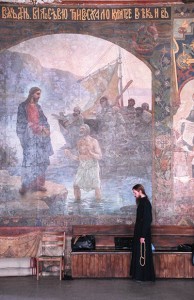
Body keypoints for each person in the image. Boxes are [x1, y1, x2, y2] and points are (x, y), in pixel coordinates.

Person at [16, 87, 53, 194]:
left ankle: (38, 184)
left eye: (40, 94)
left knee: (42, 160)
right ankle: (26, 185)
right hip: (30, 137)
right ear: (32, 94)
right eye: (37, 94)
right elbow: (21, 122)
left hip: (40, 138)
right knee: (30, 161)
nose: (39, 96)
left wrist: (45, 128)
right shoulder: (22, 106)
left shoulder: (38, 107)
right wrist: (33, 127)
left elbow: (44, 120)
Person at [64, 124, 102, 200]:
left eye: (82, 129)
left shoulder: (93, 141)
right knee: (76, 185)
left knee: (96, 186)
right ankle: (77, 203)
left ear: (87, 130)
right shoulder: (79, 142)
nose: (80, 130)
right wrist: (69, 155)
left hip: (92, 165)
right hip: (82, 166)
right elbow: (79, 158)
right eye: (80, 129)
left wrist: (91, 153)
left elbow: (100, 156)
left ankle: (99, 204)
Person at [130, 184, 155, 282]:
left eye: (135, 192)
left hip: (143, 234)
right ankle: (139, 276)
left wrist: (143, 236)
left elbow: (147, 220)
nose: (134, 195)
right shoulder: (142, 202)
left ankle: (142, 276)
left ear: (140, 191)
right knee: (140, 253)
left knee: (142, 253)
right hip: (140, 233)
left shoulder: (145, 203)